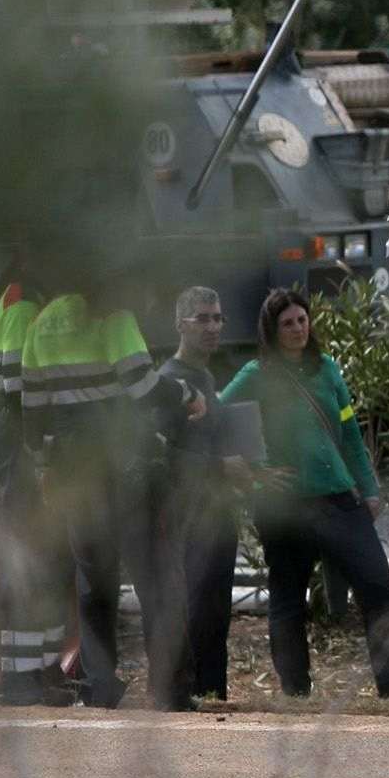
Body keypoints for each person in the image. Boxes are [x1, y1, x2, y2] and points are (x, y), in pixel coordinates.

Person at [221, 289, 389, 700]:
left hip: (338, 499)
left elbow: (352, 436)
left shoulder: (328, 370)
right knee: (287, 601)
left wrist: (369, 489)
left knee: (376, 585)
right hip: (284, 508)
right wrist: (252, 474)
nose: (298, 329)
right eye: (287, 323)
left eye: (302, 320)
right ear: (272, 330)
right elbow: (216, 417)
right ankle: (296, 691)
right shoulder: (256, 374)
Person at [19, 285, 201, 709]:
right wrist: (188, 397)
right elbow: (142, 386)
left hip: (72, 469)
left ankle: (99, 687)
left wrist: (44, 466)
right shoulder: (114, 315)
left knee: (93, 581)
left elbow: (32, 409)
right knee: (153, 576)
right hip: (123, 466)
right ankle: (169, 691)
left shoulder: (42, 323)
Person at [157, 286, 254, 702]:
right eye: (203, 319)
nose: (214, 327)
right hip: (188, 512)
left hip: (218, 509)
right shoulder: (170, 382)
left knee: (215, 610)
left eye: (218, 318)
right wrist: (220, 467)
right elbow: (165, 454)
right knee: (196, 606)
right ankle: (190, 690)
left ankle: (214, 693)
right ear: (181, 325)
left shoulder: (204, 376)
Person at [0, 281, 71, 707]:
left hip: (19, 440)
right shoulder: (26, 305)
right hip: (25, 443)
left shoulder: (19, 298)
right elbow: (27, 393)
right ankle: (24, 677)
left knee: (46, 561)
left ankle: (38, 671)